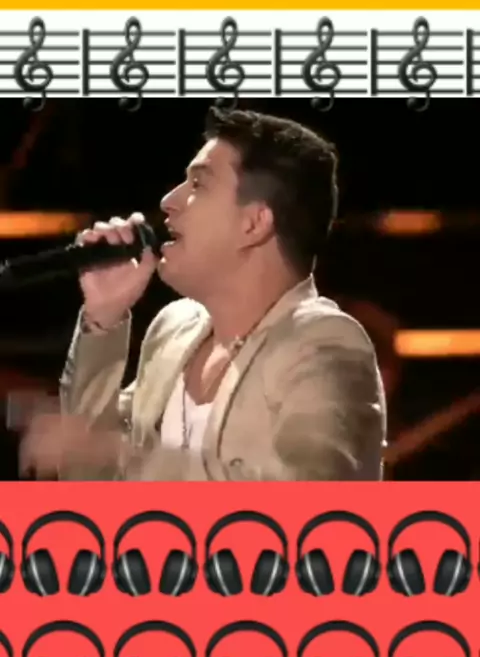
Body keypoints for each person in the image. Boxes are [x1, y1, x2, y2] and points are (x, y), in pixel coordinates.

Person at [21, 107, 387, 481]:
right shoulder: (173, 330)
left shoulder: (325, 345)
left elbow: (309, 502)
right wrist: (103, 319)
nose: (169, 200)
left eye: (198, 184)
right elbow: (89, 479)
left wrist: (120, 454)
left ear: (254, 223)